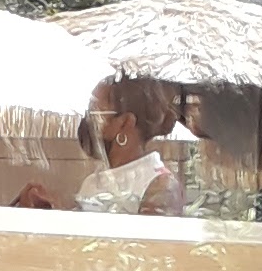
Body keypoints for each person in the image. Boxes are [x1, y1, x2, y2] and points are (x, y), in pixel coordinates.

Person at [74, 74, 187, 213]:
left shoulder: (159, 187)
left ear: (126, 123)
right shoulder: (92, 182)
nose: (89, 121)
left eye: (95, 113)